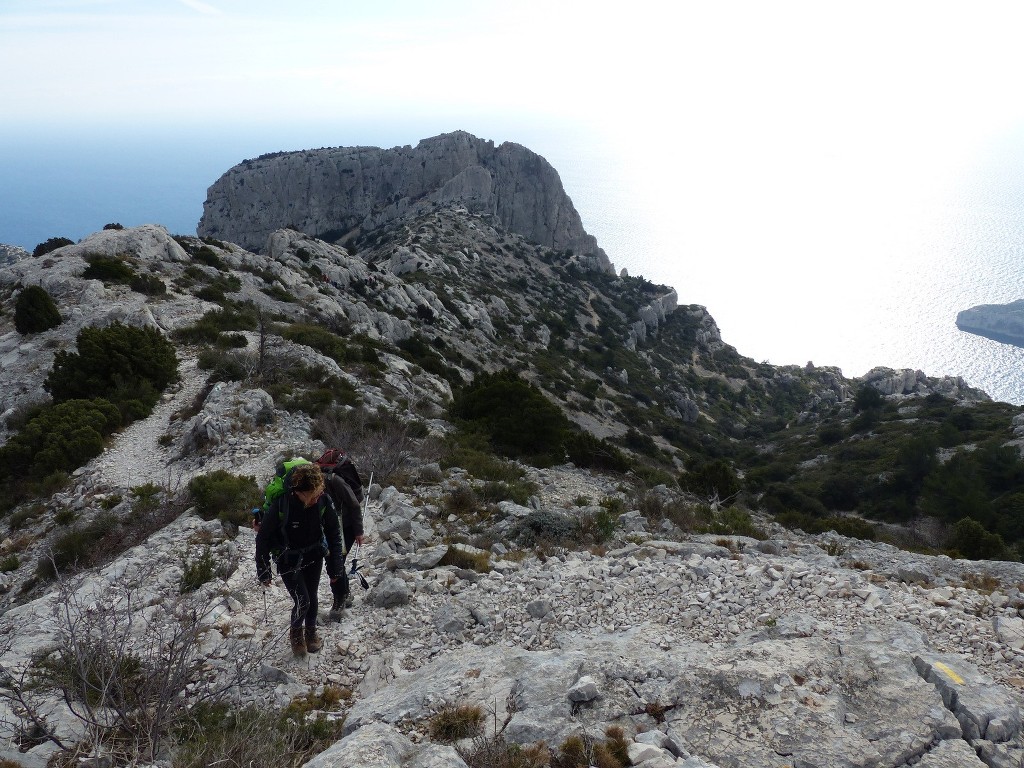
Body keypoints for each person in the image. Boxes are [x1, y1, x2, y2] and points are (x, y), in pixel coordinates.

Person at [255, 463, 343, 657]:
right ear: (298, 492)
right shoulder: (282, 504)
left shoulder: (323, 501)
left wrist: (336, 567)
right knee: (302, 599)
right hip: (287, 559)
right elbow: (263, 537)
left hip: (313, 555)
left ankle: (310, 632)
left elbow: (334, 534)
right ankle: (296, 634)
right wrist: (263, 570)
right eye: (311, 495)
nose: (315, 498)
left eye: (318, 493)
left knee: (312, 596)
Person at [323, 467, 365, 621]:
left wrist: (358, 531)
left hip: (345, 527)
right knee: (336, 561)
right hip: (329, 527)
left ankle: (339, 600)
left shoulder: (334, 481)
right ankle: (345, 592)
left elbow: (354, 505)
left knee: (336, 562)